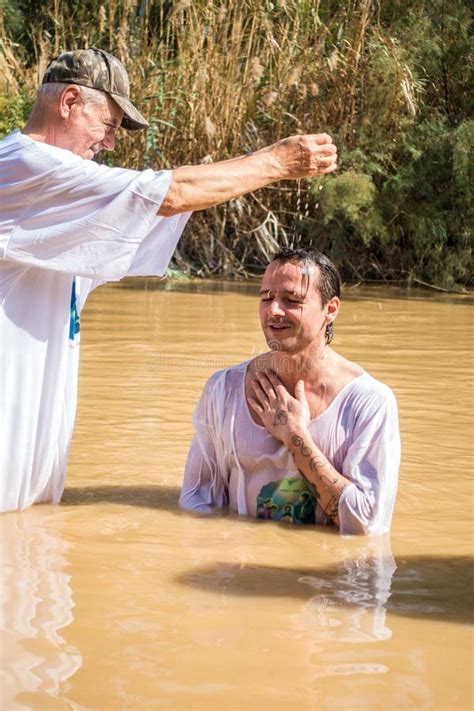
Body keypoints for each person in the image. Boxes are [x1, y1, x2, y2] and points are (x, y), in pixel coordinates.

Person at [0, 48, 337, 513]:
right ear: (70, 101)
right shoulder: (23, 166)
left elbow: (170, 201)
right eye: (110, 124)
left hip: (24, 498)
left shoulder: (54, 208)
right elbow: (172, 192)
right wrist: (276, 162)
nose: (111, 143)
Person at [179, 248, 401, 535]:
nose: (273, 310)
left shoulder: (370, 403)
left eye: (291, 300)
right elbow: (196, 499)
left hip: (322, 578)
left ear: (330, 310)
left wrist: (295, 437)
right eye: (266, 297)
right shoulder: (224, 389)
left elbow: (365, 524)